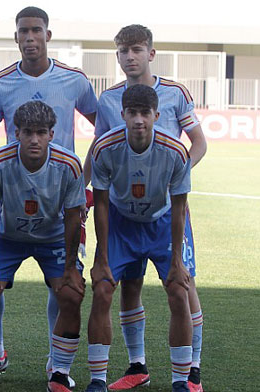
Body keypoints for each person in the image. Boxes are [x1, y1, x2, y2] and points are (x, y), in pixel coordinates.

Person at [0, 6, 97, 384]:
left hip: (62, 199)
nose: (30, 37)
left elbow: (106, 128)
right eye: (24, 31)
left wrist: (88, 178)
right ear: (16, 37)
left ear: (48, 35)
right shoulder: (1, 83)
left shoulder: (74, 80)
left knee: (66, 287)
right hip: (11, 196)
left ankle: (57, 364)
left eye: (37, 30)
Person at [84, 24, 207, 392]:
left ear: (150, 53)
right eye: (123, 51)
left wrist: (172, 175)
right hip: (124, 208)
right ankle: (137, 364)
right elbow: (100, 148)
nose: (130, 57)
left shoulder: (174, 93)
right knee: (128, 285)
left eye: (136, 49)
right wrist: (83, 189)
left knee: (183, 283)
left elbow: (198, 143)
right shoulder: (109, 100)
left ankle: (192, 369)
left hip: (165, 205)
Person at [0, 101, 86, 392]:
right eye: (28, 132)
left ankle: (59, 372)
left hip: (53, 237)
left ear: (51, 134)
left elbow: (72, 217)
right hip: (8, 237)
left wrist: (70, 267)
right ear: (15, 132)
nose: (34, 139)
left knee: (70, 293)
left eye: (41, 132)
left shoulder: (68, 164)